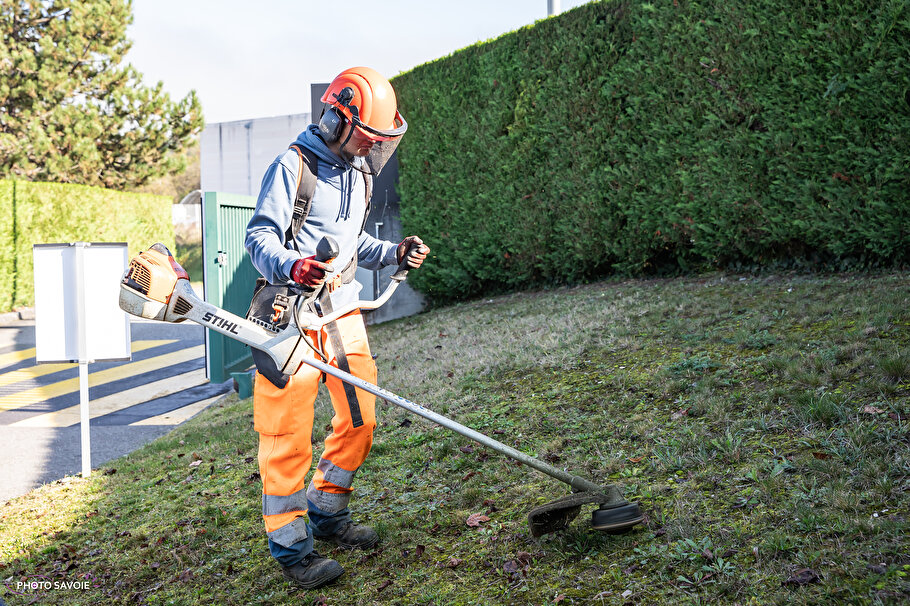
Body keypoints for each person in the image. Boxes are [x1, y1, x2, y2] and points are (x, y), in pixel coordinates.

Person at [244, 66, 429, 590]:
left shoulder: (358, 171)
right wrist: (292, 265)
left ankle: (327, 511)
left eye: (379, 141)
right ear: (337, 119)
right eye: (367, 138)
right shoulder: (293, 166)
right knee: (287, 435)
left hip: (341, 310)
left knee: (360, 416)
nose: (373, 149)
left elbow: (352, 247)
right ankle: (291, 547)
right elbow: (258, 237)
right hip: (289, 315)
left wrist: (391, 252)